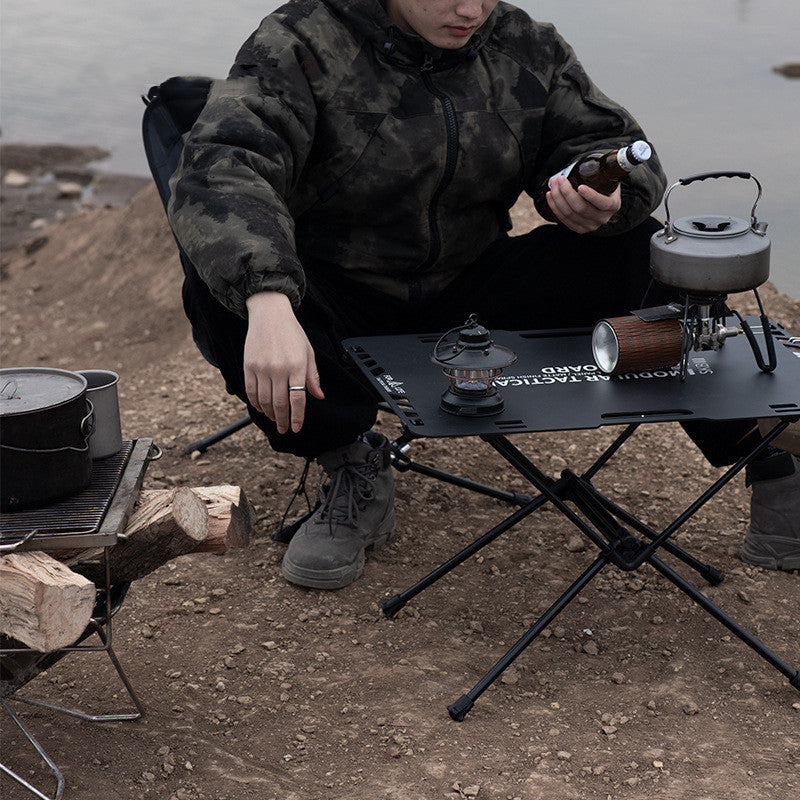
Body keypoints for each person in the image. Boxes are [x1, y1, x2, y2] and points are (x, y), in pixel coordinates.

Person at [168, 0, 799, 589]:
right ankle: (351, 463)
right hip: (337, 294)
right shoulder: (301, 41)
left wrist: (605, 198)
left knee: (645, 251)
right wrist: (269, 298)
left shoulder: (521, 44)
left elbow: (613, 146)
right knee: (225, 282)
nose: (470, 10)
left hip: (473, 290)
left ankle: (772, 465)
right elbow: (220, 164)